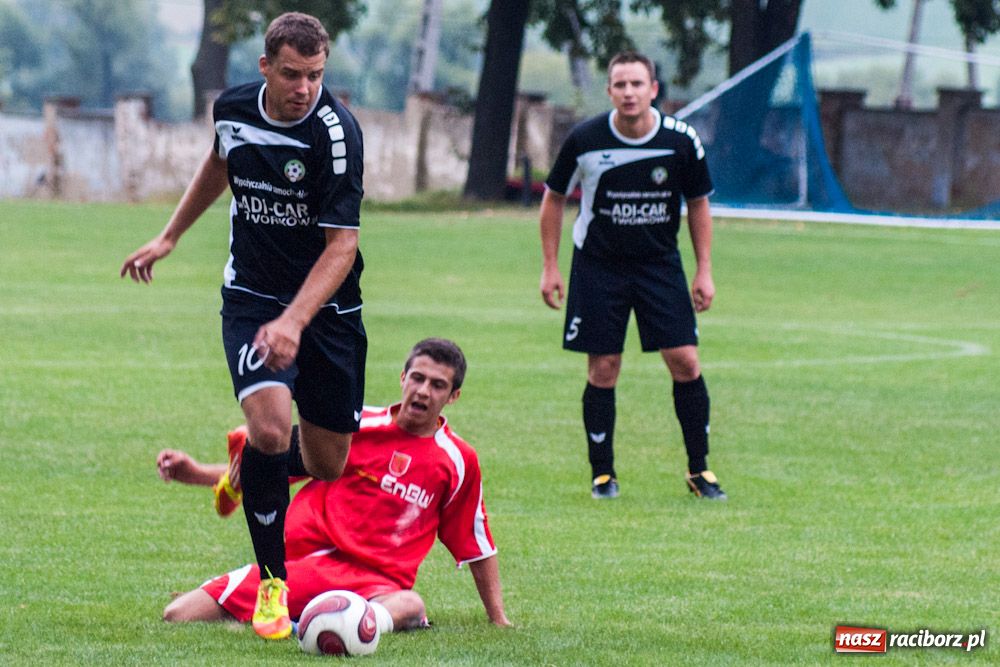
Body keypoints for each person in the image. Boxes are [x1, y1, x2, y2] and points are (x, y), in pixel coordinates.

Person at [120, 12, 367, 639]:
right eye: (291, 74)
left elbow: (341, 248)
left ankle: (248, 465)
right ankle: (273, 585)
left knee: (327, 461)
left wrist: (297, 320)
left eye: (315, 75)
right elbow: (219, 165)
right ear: (265, 67)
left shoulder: (336, 135)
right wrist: (169, 236)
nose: (304, 87)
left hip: (328, 310)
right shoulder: (232, 108)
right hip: (252, 299)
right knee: (269, 425)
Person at [157, 338, 512, 634]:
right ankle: (321, 620)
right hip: (300, 568)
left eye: (438, 385)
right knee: (179, 613)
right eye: (417, 378)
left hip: (377, 585)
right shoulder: (351, 425)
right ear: (403, 377)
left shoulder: (457, 460)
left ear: (453, 396)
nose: (423, 391)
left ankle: (340, 623)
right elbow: (270, 466)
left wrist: (498, 619)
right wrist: (194, 472)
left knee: (409, 603)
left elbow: (476, 542)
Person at [538, 50, 727, 501]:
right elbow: (553, 197)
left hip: (659, 265)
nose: (628, 92)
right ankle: (603, 474)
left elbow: (699, 203)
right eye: (620, 85)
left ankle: (700, 470)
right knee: (604, 368)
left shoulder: (681, 141)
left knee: (685, 360)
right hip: (598, 266)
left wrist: (704, 270)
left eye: (637, 84)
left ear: (653, 90)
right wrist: (550, 266)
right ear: (609, 91)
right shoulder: (585, 138)